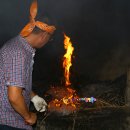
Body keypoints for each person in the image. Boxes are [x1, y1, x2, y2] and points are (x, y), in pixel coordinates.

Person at [0, 0, 56, 130]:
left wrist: (33, 97)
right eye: (50, 38)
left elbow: (13, 80)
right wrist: (28, 116)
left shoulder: (19, 46)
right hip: (7, 121)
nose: (48, 42)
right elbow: (14, 97)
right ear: (44, 35)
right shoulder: (19, 53)